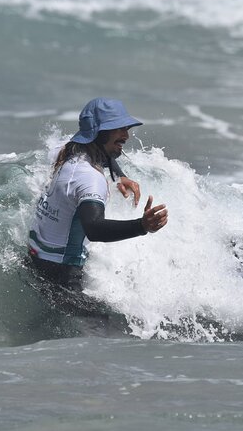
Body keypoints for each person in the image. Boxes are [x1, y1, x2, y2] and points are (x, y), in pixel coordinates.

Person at [26, 97, 168, 315]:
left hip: (34, 261)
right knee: (107, 335)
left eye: (126, 128)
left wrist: (120, 176)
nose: (126, 135)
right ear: (99, 133)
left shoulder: (65, 151)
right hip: (63, 276)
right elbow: (94, 228)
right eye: (119, 129)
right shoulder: (91, 179)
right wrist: (142, 226)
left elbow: (103, 152)